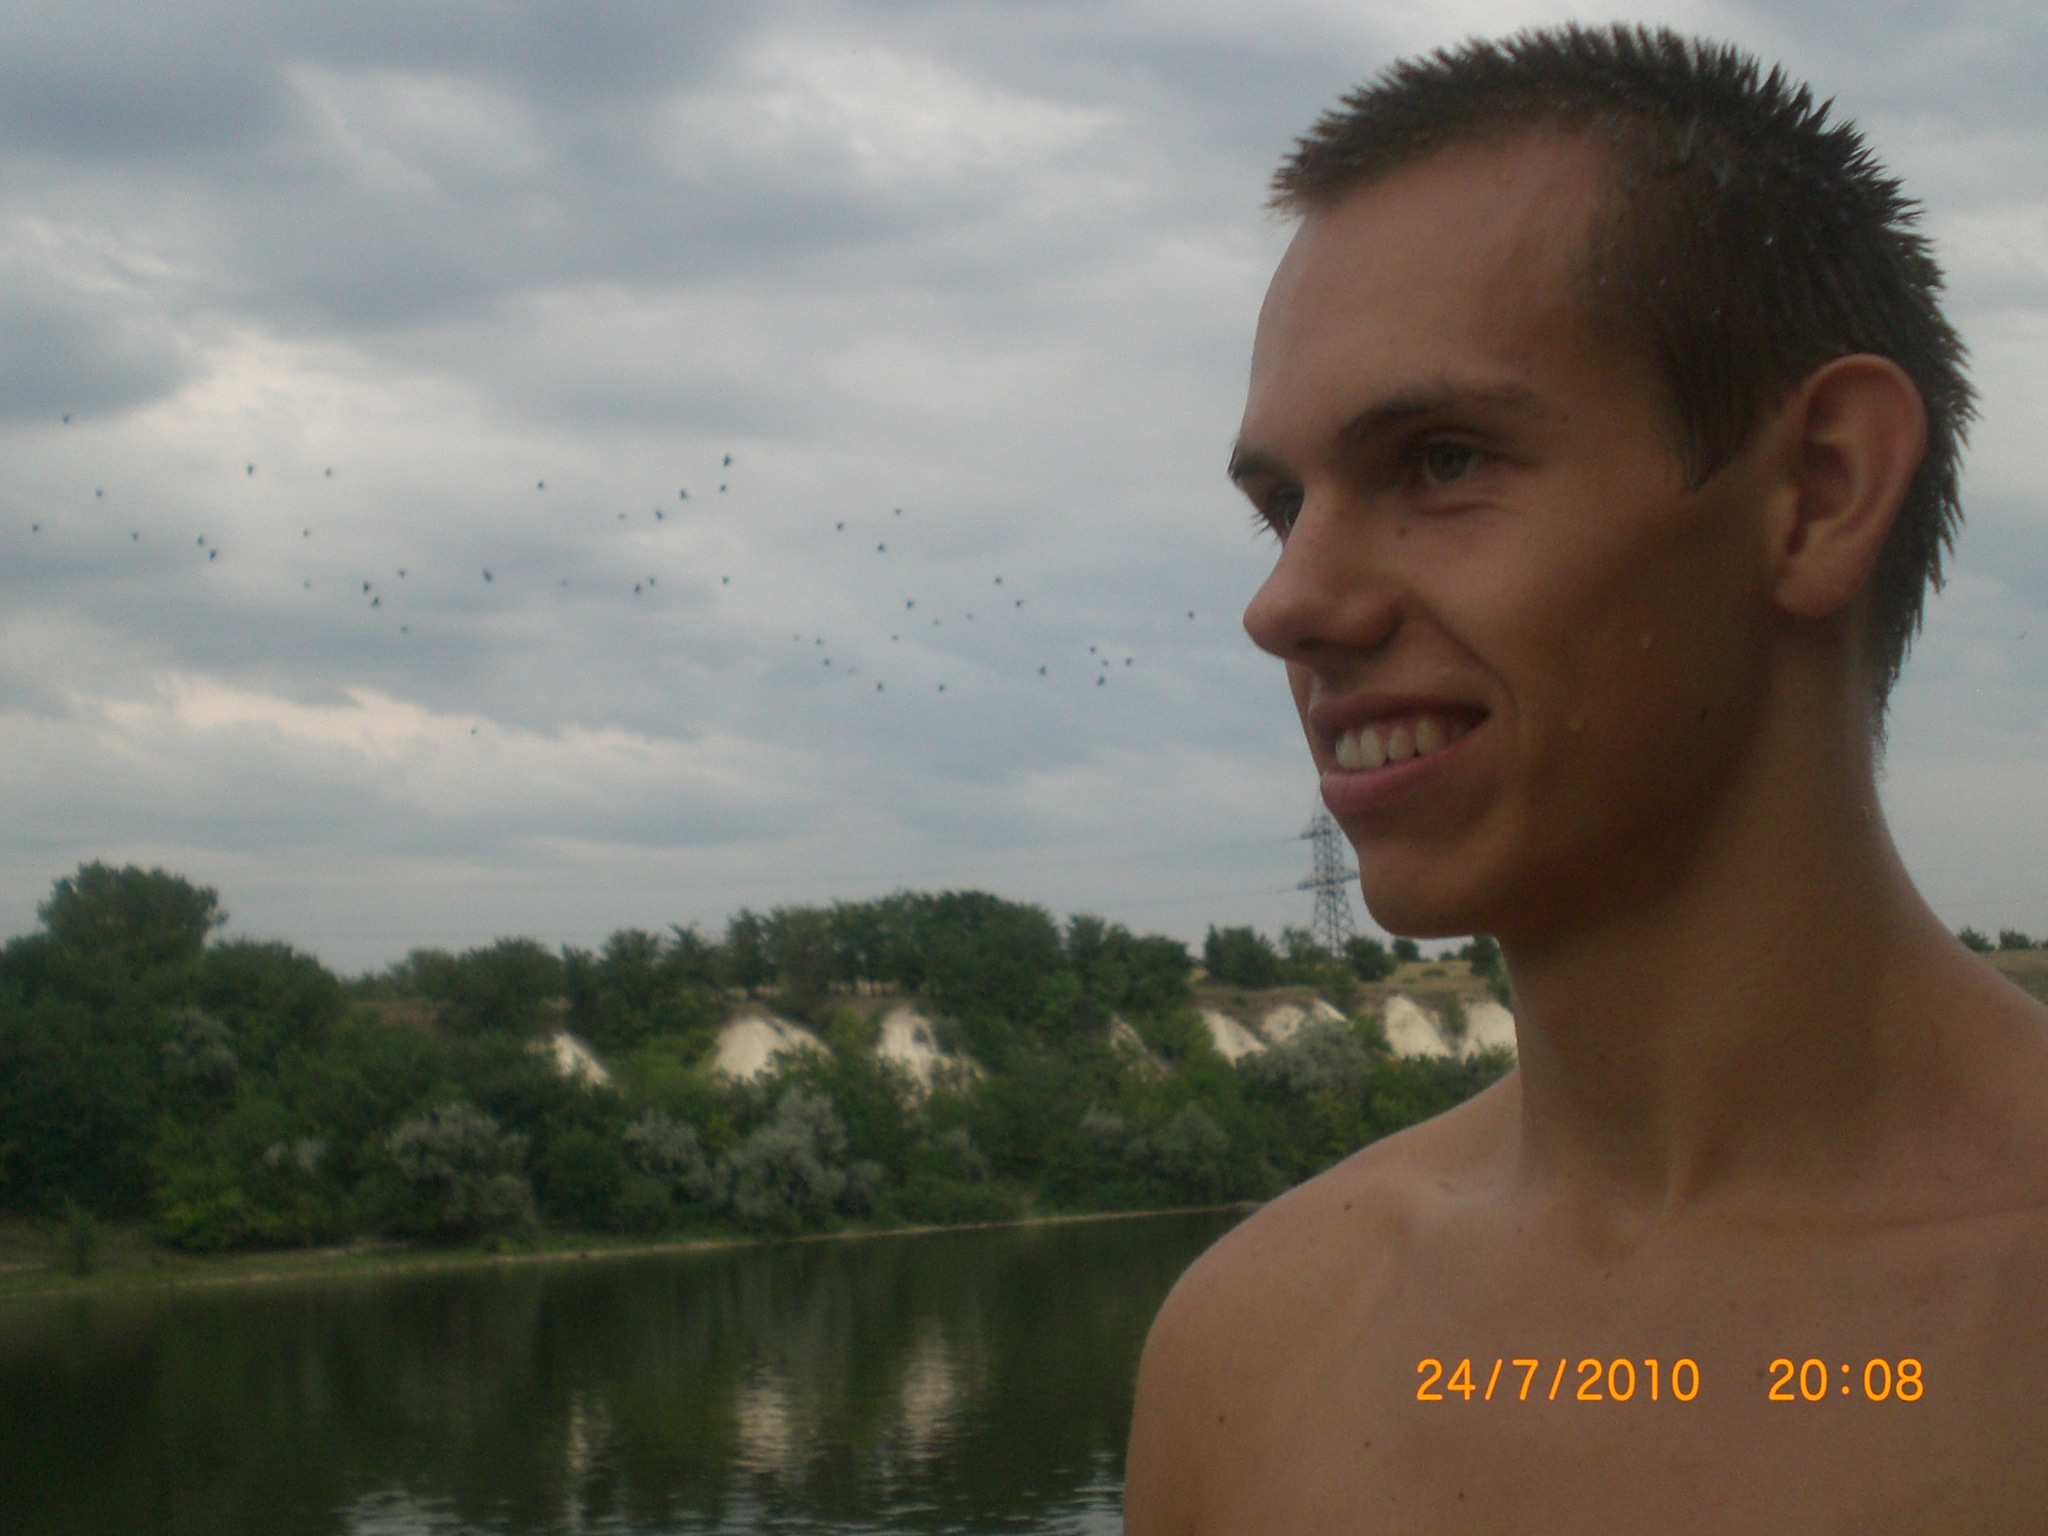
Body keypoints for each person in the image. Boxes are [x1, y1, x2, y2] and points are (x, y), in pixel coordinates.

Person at [1124, 24, 2048, 1534]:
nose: (1286, 605)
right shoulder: (1252, 1349)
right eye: (1283, 506)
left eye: (1441, 461)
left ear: (1818, 491)